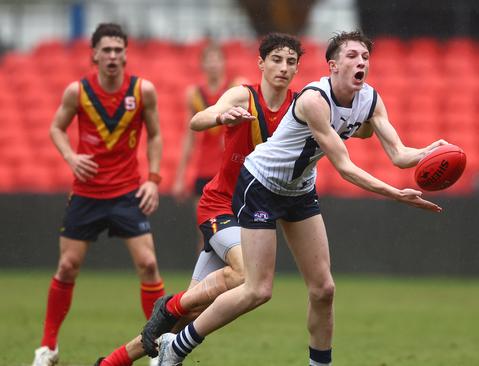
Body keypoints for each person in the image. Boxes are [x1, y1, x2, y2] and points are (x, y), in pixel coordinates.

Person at [154, 30, 445, 366]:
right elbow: (346, 168)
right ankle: (176, 346)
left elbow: (398, 154)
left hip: (300, 191)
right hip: (261, 184)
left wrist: (429, 152)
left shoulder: (370, 100)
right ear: (333, 65)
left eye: (365, 56)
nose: (361, 61)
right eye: (352, 55)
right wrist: (395, 193)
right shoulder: (313, 100)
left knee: (324, 289)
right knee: (258, 289)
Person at [94, 32, 305, 366]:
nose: (283, 67)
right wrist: (222, 116)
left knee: (189, 314)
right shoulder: (242, 95)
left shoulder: (299, 105)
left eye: (291, 62)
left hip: (254, 214)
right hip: (220, 205)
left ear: (297, 69)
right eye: (276, 59)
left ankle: (113, 361)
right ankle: (169, 306)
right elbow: (198, 119)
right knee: (246, 276)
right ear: (261, 63)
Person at [32, 23, 165, 366]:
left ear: (125, 54)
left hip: (126, 193)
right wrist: (71, 157)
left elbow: (154, 135)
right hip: (87, 194)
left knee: (149, 265)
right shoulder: (77, 92)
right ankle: (48, 348)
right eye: (106, 50)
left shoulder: (143, 90)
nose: (112, 56)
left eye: (118, 49)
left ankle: (161, 344)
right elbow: (55, 128)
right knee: (67, 265)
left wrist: (152, 179)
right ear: (93, 54)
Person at [171, 42, 241, 252]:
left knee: (236, 229)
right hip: (204, 170)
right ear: (202, 65)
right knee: (205, 231)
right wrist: (180, 177)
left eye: (216, 60)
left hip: (231, 170)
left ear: (223, 63)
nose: (213, 65)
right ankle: (204, 281)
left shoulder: (235, 88)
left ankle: (237, 280)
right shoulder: (194, 94)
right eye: (208, 60)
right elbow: (189, 136)